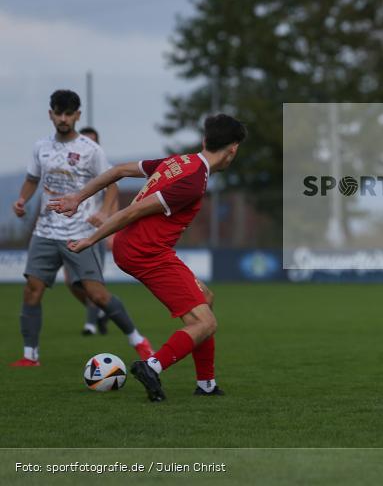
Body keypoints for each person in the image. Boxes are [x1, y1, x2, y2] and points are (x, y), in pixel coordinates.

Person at [49, 114, 246, 402]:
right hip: (146, 253)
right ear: (233, 149)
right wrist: (92, 239)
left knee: (205, 298)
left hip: (144, 248)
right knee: (206, 323)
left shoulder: (180, 162)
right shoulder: (193, 181)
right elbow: (133, 211)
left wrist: (78, 197)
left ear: (205, 140)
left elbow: (118, 171)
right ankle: (152, 366)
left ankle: (206, 384)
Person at [10, 90, 153, 367]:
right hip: (45, 231)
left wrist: (104, 212)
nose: (63, 119)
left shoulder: (91, 150)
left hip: (80, 233)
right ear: (50, 114)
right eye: (58, 113)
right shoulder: (41, 147)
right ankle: (30, 355)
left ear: (77, 115)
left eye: (68, 114)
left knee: (97, 295)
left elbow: (112, 184)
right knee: (32, 289)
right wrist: (22, 200)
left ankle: (138, 340)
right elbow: (32, 179)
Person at [64, 127, 114, 336]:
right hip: (68, 231)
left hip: (93, 233)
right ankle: (101, 312)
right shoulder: (68, 167)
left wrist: (109, 223)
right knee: (71, 282)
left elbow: (113, 194)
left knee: (91, 281)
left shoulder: (105, 169)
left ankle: (90, 325)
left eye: (92, 141)